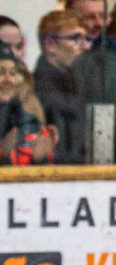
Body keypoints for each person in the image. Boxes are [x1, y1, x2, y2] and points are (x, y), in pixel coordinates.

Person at [34, 11, 90, 164]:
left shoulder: (77, 80)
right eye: (75, 38)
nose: (84, 46)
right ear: (50, 44)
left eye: (86, 39)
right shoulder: (36, 88)